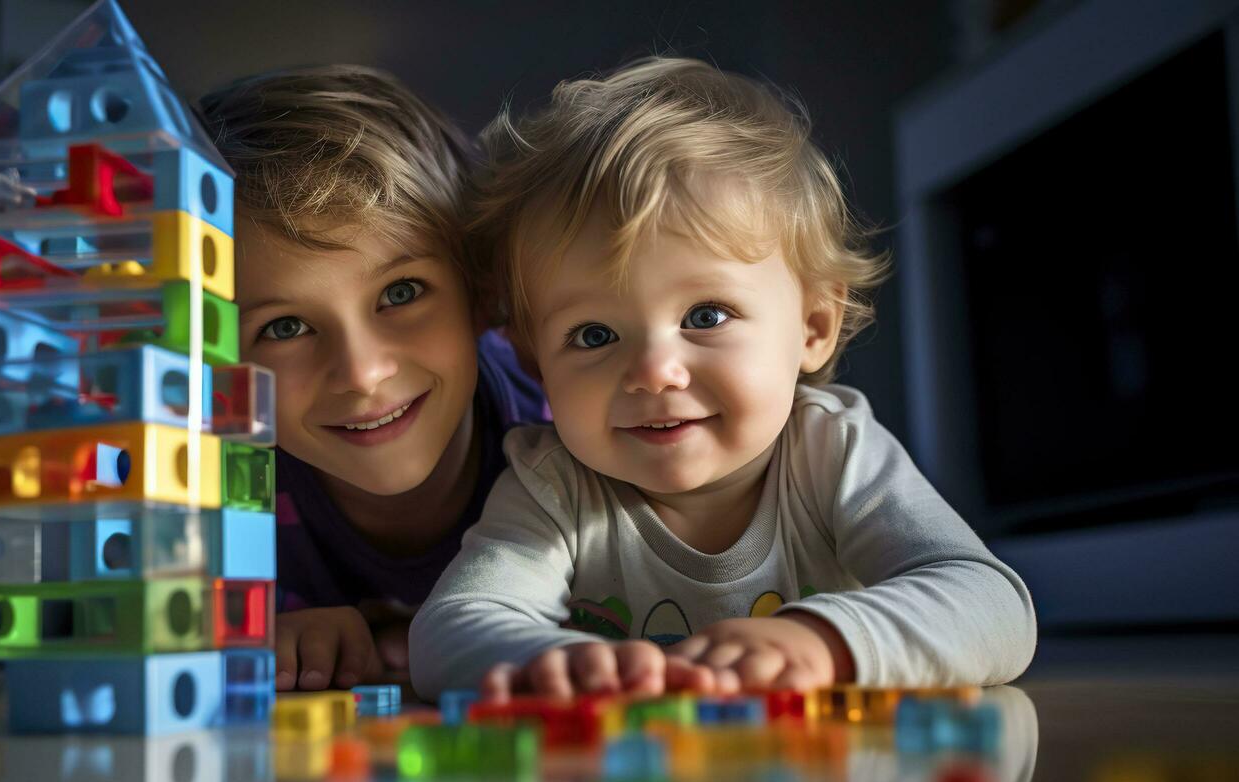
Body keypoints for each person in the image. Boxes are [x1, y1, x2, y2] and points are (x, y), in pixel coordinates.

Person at [409, 57, 1036, 701]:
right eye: (593, 335)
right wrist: (549, 663)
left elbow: (993, 604)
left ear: (814, 326)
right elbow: (449, 629)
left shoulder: (831, 452)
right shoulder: (555, 487)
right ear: (536, 362)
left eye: (705, 315)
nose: (654, 372)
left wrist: (825, 641)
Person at [197, 66, 546, 692]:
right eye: (284, 328)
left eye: (401, 292)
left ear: (483, 292)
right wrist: (255, 640)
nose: (362, 373)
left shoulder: (569, 430)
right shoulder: (214, 493)